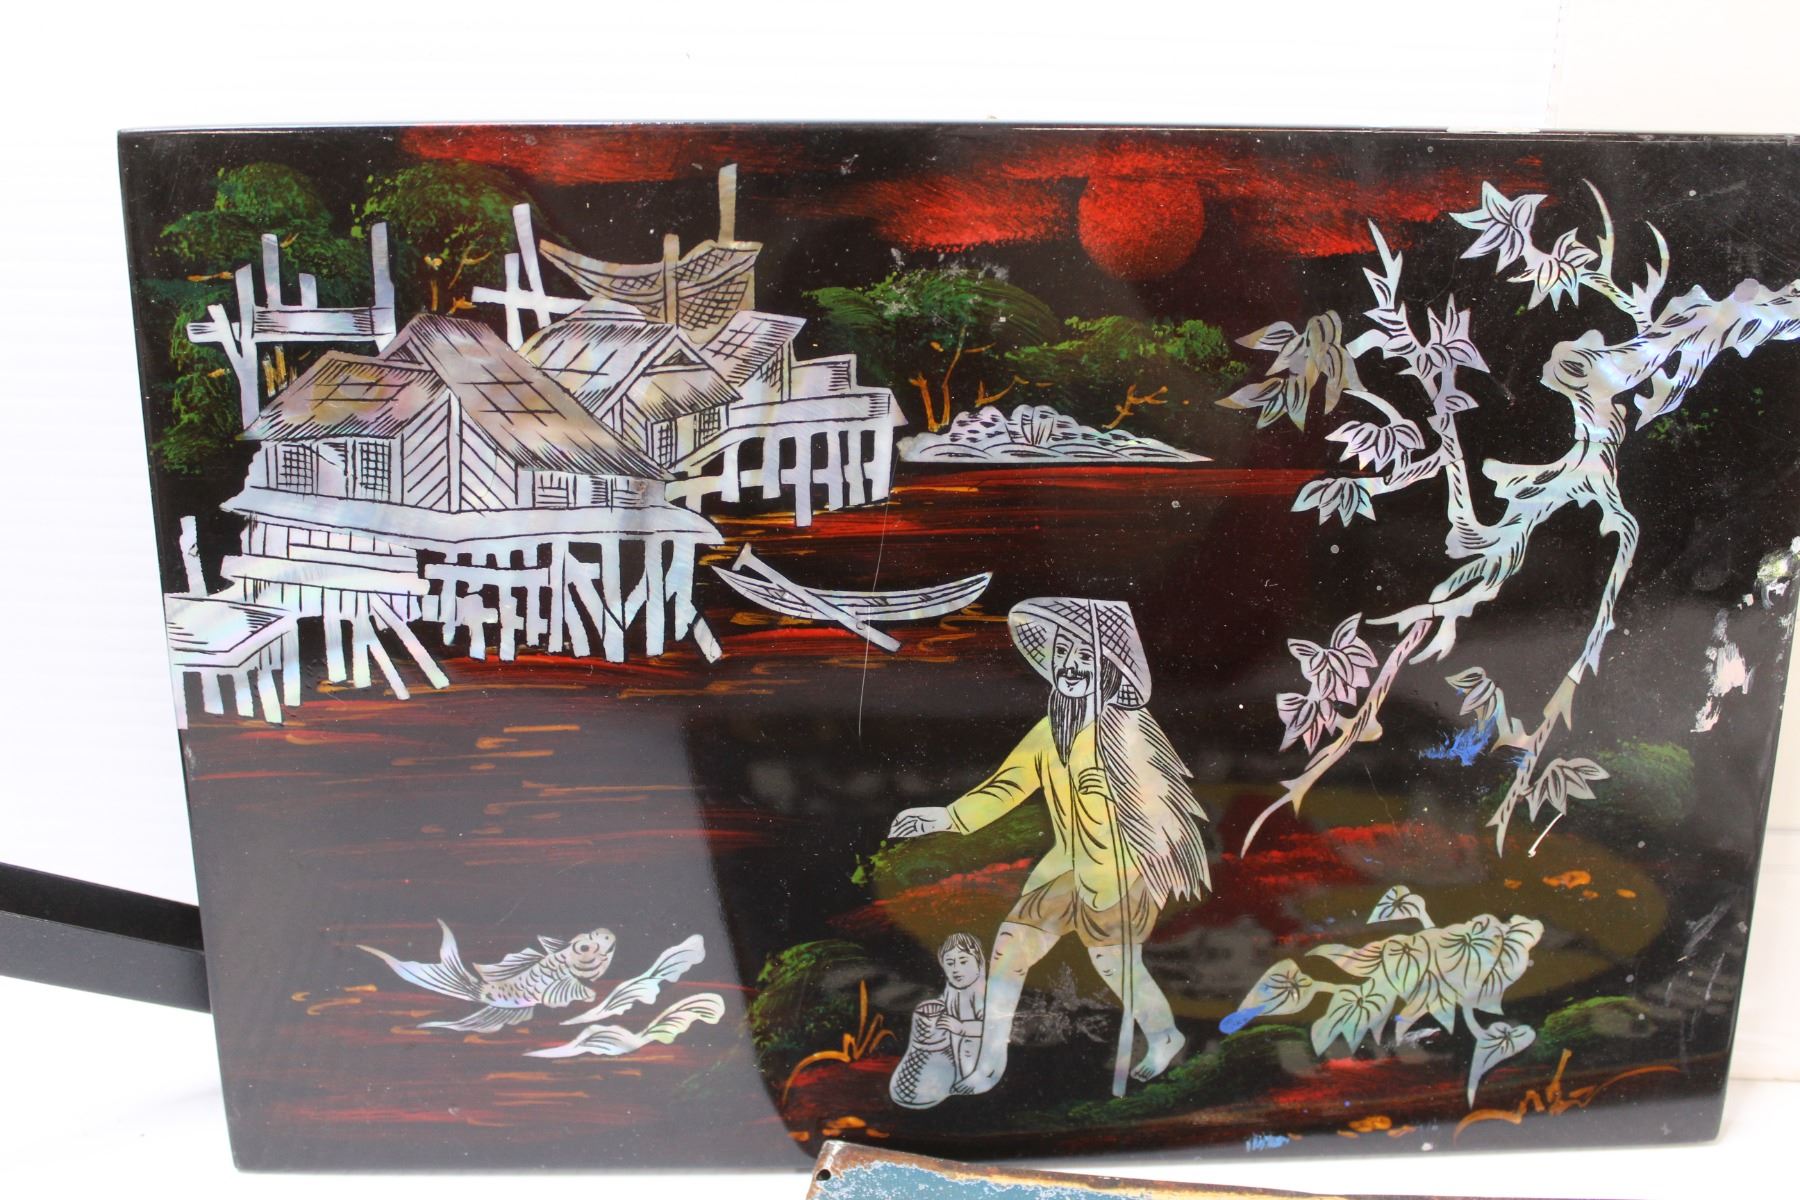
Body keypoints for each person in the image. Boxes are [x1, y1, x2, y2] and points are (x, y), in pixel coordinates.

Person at [888, 598, 1210, 1097]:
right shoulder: (1049, 731)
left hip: (1120, 871)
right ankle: (989, 1063)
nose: (1072, 668)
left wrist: (1124, 808)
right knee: (1009, 949)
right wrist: (947, 817)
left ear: (1108, 670)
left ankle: (1165, 1035)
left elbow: (1159, 805)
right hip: (1064, 866)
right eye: (1063, 655)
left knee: (1117, 967)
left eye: (1086, 658)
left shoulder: (1128, 731)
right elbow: (1008, 785)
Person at [889, 932, 988, 1109]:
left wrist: (962, 1028)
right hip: (949, 1061)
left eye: (963, 961)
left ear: (979, 963)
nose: (956, 968)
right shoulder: (953, 990)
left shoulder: (984, 994)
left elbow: (992, 1028)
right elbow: (944, 1005)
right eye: (950, 963)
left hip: (976, 1064)